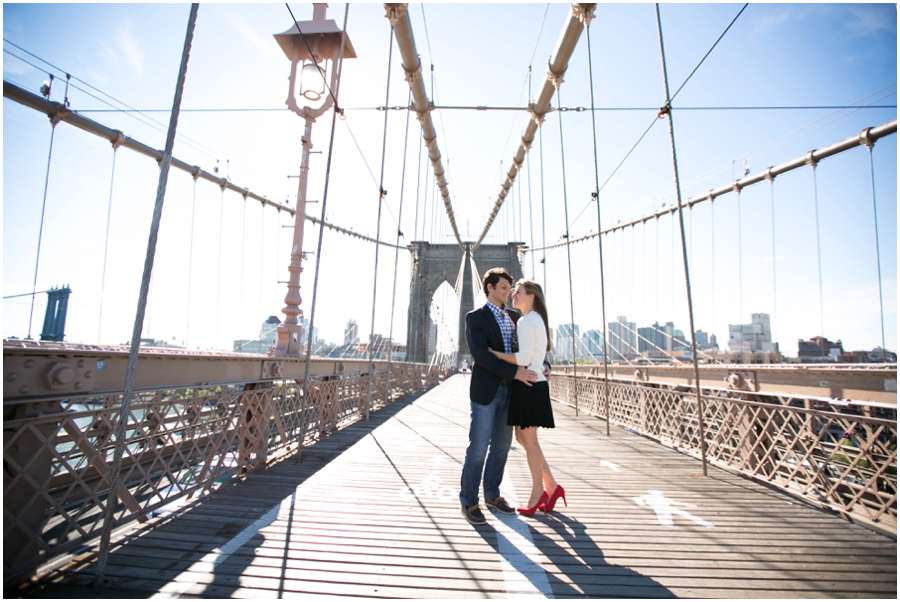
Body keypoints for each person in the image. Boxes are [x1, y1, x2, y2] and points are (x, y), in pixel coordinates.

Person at [460, 268, 547, 525]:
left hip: (513, 390)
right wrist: (515, 372)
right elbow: (482, 355)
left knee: (500, 449)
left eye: (511, 288)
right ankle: (469, 501)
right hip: (488, 390)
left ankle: (492, 495)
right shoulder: (475, 317)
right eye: (503, 288)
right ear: (490, 288)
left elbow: (532, 344)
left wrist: (545, 364)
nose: (508, 293)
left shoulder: (515, 316)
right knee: (478, 449)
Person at [488, 280, 565, 516]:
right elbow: (534, 355)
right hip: (530, 382)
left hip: (530, 384)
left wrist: (495, 354)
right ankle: (551, 485)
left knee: (529, 441)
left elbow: (523, 358)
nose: (512, 295)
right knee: (523, 438)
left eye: (518, 292)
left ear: (530, 297)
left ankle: (537, 493)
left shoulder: (527, 320)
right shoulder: (532, 320)